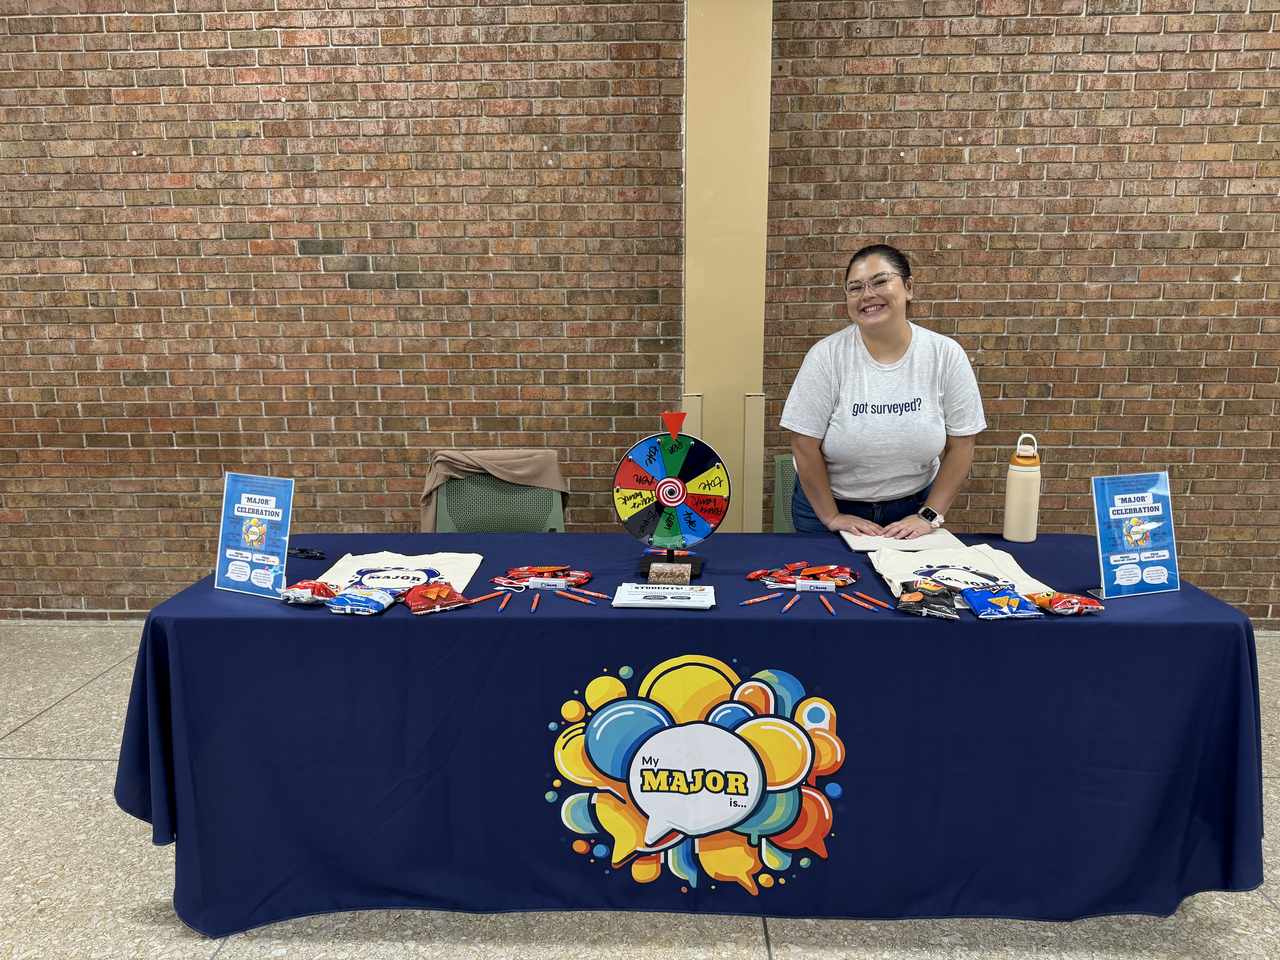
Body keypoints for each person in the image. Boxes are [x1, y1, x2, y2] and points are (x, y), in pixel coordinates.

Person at [779, 244, 986, 539]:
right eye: (855, 287)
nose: (867, 294)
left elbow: (962, 446)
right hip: (827, 509)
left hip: (913, 509)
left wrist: (929, 516)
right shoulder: (826, 357)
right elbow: (803, 446)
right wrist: (832, 516)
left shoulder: (945, 355)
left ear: (908, 287)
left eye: (880, 282)